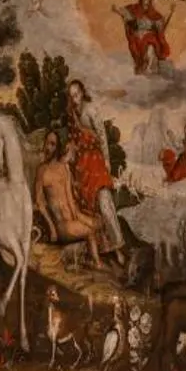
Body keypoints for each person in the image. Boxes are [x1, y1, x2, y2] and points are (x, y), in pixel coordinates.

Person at [64, 79, 125, 256]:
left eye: (77, 94)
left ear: (82, 92)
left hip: (96, 161)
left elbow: (102, 136)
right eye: (71, 96)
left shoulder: (91, 110)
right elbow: (74, 141)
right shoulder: (72, 114)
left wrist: (107, 161)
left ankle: (118, 243)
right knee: (90, 206)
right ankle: (104, 246)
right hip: (83, 165)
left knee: (104, 202)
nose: (74, 98)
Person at [33, 131, 101, 268]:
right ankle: (96, 263)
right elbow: (39, 202)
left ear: (58, 147)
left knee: (98, 224)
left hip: (72, 219)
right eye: (47, 143)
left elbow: (69, 197)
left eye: (52, 144)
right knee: (90, 230)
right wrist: (52, 227)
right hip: (61, 225)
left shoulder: (64, 167)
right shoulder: (41, 170)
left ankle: (92, 260)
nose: (48, 147)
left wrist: (80, 217)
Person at [115, 0, 174, 75]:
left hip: (149, 38)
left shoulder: (154, 14)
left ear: (150, 0)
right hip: (137, 38)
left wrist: (170, 14)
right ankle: (141, 66)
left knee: (150, 46)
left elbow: (161, 26)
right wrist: (118, 11)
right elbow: (126, 14)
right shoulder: (134, 9)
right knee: (136, 48)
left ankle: (148, 67)